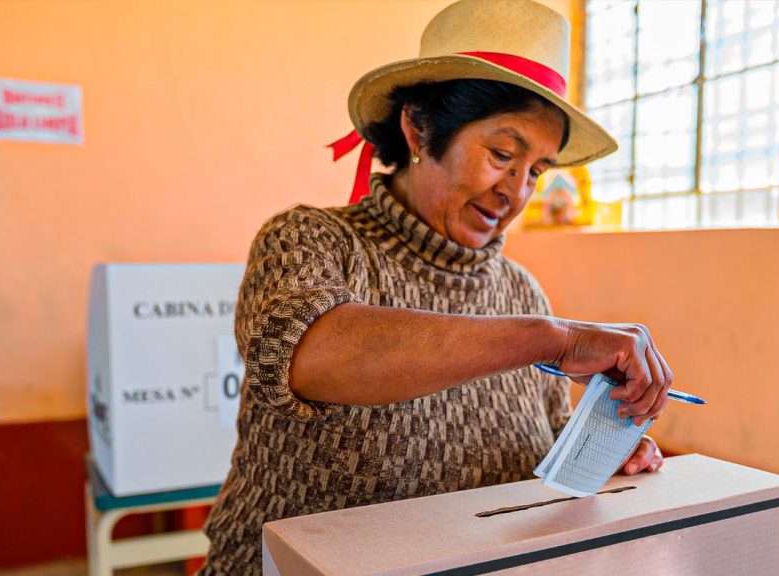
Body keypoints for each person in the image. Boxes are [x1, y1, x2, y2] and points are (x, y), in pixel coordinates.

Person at [199, 0, 672, 573]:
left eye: (537, 171)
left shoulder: (521, 293)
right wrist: (555, 339)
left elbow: (541, 447)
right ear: (419, 129)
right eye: (502, 154)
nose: (516, 193)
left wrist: (601, 454)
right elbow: (309, 355)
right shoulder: (310, 241)